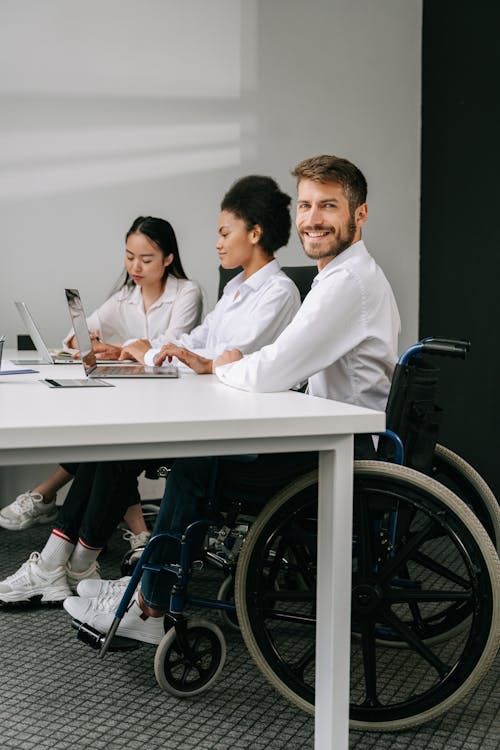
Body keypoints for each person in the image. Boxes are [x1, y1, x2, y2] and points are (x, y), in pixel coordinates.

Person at [63, 153, 401, 646]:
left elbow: (271, 369)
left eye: (327, 206)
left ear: (359, 214)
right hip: (334, 434)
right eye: (306, 205)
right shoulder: (340, 277)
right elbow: (263, 363)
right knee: (199, 456)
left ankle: (151, 605)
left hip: (343, 452)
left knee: (198, 465)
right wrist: (215, 361)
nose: (311, 219)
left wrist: (217, 364)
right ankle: (148, 585)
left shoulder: (346, 283)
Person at [0, 175, 301, 606]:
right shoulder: (236, 289)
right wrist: (148, 352)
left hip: (232, 427)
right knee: (107, 445)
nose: (216, 243)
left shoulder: (278, 292)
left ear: (255, 233)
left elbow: (233, 360)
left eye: (223, 232)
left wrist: (155, 353)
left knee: (112, 446)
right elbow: (197, 343)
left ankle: (63, 564)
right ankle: (63, 563)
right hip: (206, 409)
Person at [0, 216, 202, 542]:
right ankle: (137, 533)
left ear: (168, 259)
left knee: (107, 443)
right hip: (140, 398)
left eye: (146, 259)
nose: (135, 266)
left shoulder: (186, 293)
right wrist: (92, 343)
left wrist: (117, 347)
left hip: (176, 400)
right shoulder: (125, 296)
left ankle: (46, 495)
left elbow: (169, 349)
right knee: (104, 433)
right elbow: (72, 339)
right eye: (129, 256)